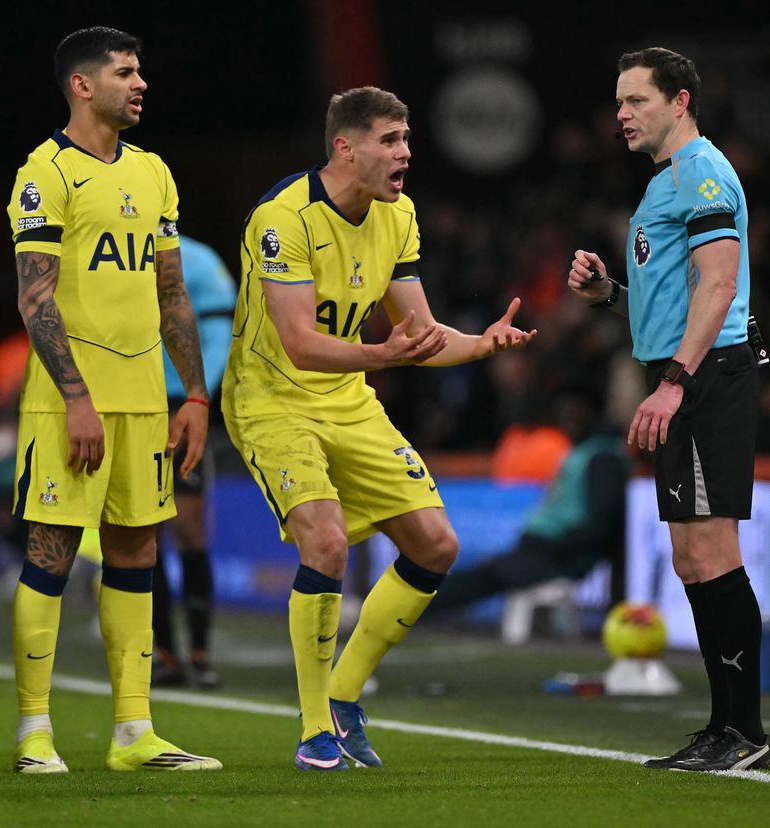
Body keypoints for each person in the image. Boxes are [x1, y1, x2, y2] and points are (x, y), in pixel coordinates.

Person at [222, 86, 536, 772]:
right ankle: (312, 730)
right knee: (327, 543)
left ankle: (344, 694)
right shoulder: (284, 219)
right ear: (346, 147)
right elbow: (301, 342)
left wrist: (483, 343)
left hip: (348, 395)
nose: (406, 154)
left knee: (436, 545)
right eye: (390, 141)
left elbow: (418, 334)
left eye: (406, 139)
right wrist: (385, 355)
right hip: (271, 398)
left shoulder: (399, 215)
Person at [5, 26, 220, 773]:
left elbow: (170, 292)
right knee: (52, 556)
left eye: (142, 71)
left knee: (136, 552)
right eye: (126, 72)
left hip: (146, 404)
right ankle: (35, 731)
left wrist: (193, 393)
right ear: (82, 85)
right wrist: (76, 398)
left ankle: (135, 732)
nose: (141, 83)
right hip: (70, 405)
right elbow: (36, 299)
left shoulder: (154, 173)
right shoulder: (45, 172)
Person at [567, 48, 770, 772]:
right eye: (620, 101)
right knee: (690, 559)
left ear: (679, 101)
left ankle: (744, 732)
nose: (621, 113)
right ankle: (723, 729)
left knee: (713, 552)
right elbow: (678, 296)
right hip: (685, 371)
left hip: (708, 376)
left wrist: (676, 381)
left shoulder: (704, 172)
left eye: (636, 100)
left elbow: (719, 288)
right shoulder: (665, 185)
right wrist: (612, 296)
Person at [428, 392, 631, 615]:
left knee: (487, 576)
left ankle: (421, 608)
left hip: (559, 552)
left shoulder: (603, 458)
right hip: (547, 546)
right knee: (486, 573)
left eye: (575, 413)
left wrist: (559, 545)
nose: (567, 419)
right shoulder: (583, 450)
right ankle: (422, 605)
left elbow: (602, 520)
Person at [150, 236, 237, 690]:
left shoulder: (199, 261)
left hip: (179, 407)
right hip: (132, 409)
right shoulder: (113, 252)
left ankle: (199, 653)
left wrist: (194, 397)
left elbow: (223, 337)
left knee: (189, 530)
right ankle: (164, 653)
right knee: (143, 533)